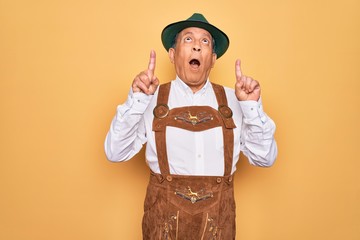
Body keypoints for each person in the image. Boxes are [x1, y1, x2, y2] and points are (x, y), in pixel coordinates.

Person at [104, 13, 277, 239]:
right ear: (173, 55)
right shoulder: (150, 98)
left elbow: (265, 158)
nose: (197, 46)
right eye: (188, 39)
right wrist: (136, 100)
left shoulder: (237, 100)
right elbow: (115, 152)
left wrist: (252, 107)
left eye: (204, 41)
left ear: (212, 59)